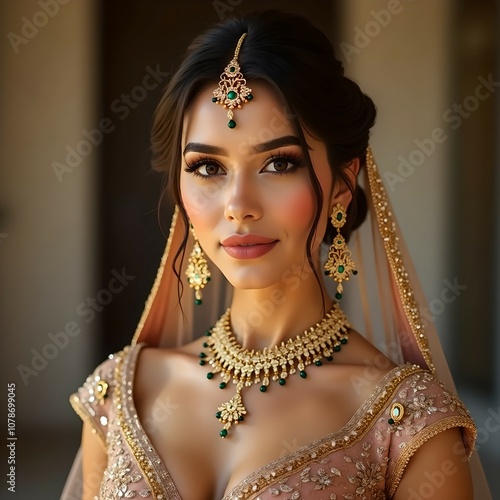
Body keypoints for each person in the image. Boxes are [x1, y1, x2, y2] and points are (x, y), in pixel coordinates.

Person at [63, 10, 491, 499]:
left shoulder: (407, 425)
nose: (239, 206)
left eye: (278, 163)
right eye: (207, 167)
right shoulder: (122, 393)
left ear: (342, 186)